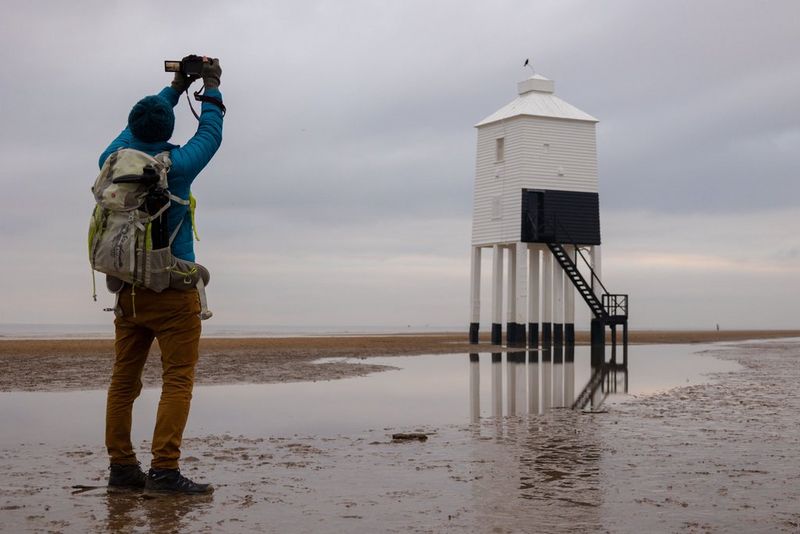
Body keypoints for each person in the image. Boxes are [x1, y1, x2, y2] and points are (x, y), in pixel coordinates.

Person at [101, 57, 224, 494]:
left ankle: (122, 469)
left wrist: (173, 88)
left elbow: (135, 126)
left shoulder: (111, 160)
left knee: (123, 382)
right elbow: (211, 133)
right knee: (177, 380)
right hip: (174, 292)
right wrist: (211, 85)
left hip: (128, 292)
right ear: (166, 127)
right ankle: (165, 471)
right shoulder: (179, 165)